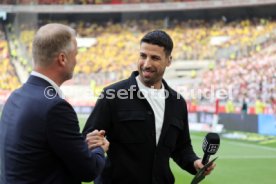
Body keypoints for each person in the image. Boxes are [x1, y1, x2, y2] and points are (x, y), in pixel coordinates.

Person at [83, 30, 215, 184]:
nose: (146, 64)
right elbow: (87, 139)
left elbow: (181, 147)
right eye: (143, 56)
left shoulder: (177, 103)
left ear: (169, 61)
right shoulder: (112, 95)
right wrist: (92, 143)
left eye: (155, 58)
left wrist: (195, 163)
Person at [0, 23, 109, 184]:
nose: (76, 61)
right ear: (62, 59)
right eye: (75, 54)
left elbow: (41, 154)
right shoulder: (55, 107)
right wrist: (98, 148)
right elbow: (88, 170)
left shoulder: (15, 97)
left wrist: (80, 145)